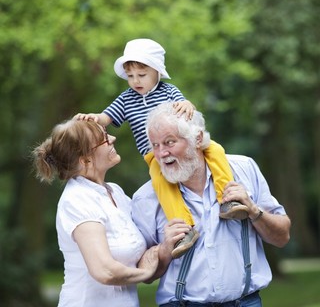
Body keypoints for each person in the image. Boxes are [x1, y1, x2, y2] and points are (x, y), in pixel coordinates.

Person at [74, 38, 249, 259]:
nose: (135, 81)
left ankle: (228, 200)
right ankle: (184, 226)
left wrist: (187, 105)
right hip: (154, 154)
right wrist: (93, 118)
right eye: (130, 76)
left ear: (156, 72)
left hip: (184, 143)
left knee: (216, 151)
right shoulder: (126, 99)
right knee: (161, 182)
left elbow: (185, 106)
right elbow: (105, 117)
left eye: (141, 75)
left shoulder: (169, 91)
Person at [131, 102, 291, 306]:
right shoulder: (145, 198)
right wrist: (163, 249)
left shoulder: (244, 169)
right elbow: (144, 274)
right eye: (155, 145)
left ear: (197, 139)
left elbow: (282, 236)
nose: (161, 153)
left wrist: (253, 210)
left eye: (169, 142)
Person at [31, 119, 159, 307]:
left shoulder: (115, 192)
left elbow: (146, 245)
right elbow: (104, 270)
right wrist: (145, 274)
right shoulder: (76, 200)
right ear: (85, 160)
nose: (113, 138)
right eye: (104, 138)